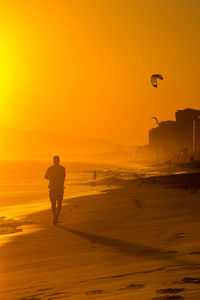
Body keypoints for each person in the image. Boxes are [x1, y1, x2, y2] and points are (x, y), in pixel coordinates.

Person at [45, 156, 66, 225]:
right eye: (55, 160)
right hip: (55, 188)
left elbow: (63, 178)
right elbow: (45, 176)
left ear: (58, 161)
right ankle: (55, 217)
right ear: (54, 161)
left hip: (58, 188)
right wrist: (50, 178)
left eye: (57, 160)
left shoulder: (61, 168)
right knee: (55, 204)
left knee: (58, 204)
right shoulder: (52, 168)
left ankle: (56, 217)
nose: (56, 161)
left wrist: (51, 178)